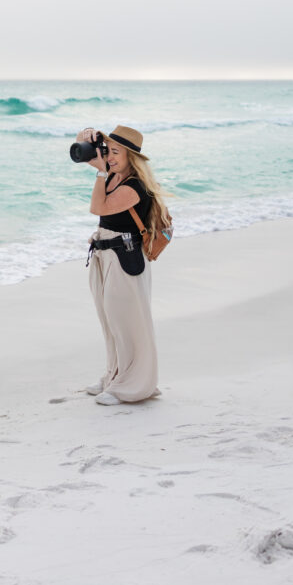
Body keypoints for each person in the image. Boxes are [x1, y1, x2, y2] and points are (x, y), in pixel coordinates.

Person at [76, 124, 170, 406]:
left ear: (132, 157)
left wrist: (102, 170)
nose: (110, 157)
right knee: (110, 321)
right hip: (105, 255)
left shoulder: (134, 187)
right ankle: (114, 376)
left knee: (126, 322)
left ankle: (134, 386)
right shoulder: (113, 176)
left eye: (116, 152)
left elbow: (98, 208)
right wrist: (87, 138)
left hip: (125, 258)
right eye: (109, 151)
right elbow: (84, 152)